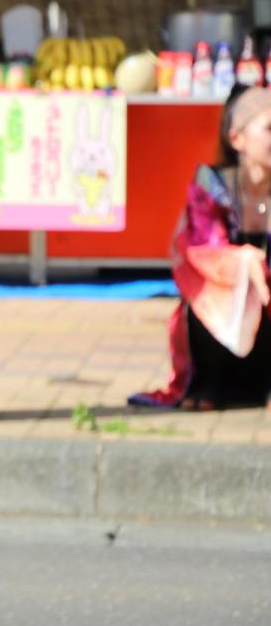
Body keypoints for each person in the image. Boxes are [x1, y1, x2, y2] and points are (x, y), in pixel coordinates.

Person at [130, 84, 271, 411]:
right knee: (205, 297)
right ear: (238, 139)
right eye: (268, 129)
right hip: (228, 304)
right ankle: (208, 386)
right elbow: (201, 250)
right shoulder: (212, 185)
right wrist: (245, 261)